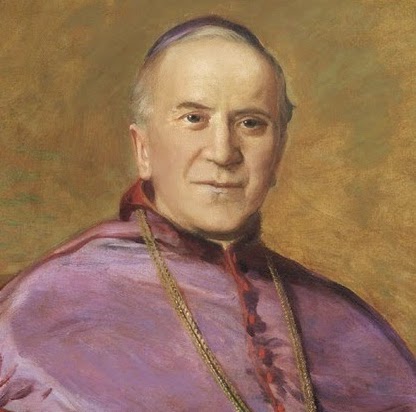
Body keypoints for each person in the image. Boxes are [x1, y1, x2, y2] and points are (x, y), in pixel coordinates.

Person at [0, 16, 414, 412]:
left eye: (251, 123)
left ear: (278, 154)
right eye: (194, 118)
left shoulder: (349, 325)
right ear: (143, 149)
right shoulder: (40, 310)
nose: (223, 152)